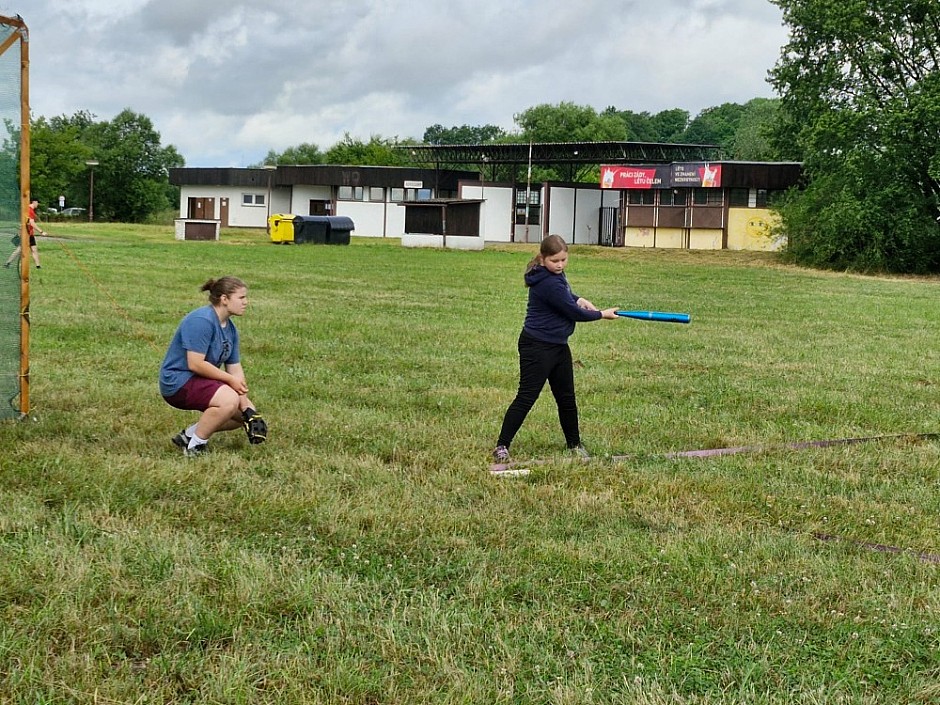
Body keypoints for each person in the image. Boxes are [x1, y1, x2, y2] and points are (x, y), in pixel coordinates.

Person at [493, 234, 618, 464]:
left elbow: (567, 297)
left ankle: (574, 444)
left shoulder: (553, 276)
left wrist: (579, 298)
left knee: (566, 398)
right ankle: (502, 445)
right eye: (555, 261)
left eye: (563, 260)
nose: (560, 265)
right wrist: (601, 314)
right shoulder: (547, 282)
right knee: (527, 397)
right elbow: (572, 312)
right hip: (537, 346)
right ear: (543, 258)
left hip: (558, 345)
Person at [160, 276, 267, 457]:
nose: (246, 302)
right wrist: (229, 380)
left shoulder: (230, 329)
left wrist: (248, 410)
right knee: (229, 401)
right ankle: (195, 448)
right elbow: (195, 364)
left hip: (199, 381)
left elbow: (235, 369)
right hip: (177, 383)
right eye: (241, 298)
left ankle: (189, 436)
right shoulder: (202, 320)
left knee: (242, 414)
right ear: (224, 299)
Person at [4, 198, 44, 270]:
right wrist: (41, 231)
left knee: (34, 249)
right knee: (19, 249)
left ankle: (38, 266)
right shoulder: (29, 210)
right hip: (26, 234)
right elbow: (32, 223)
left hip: (30, 234)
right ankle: (7, 263)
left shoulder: (28, 209)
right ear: (34, 202)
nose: (38, 205)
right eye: (38, 203)